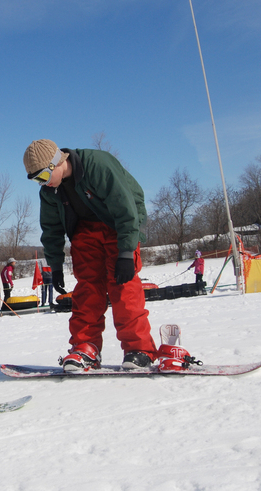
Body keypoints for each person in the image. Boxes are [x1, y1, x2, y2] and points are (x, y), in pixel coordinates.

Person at [23, 139, 157, 372]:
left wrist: (126, 253)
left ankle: (139, 349)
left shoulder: (98, 165)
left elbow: (126, 209)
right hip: (85, 231)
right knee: (87, 288)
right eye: (35, 180)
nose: (41, 184)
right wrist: (55, 266)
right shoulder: (49, 192)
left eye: (42, 177)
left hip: (120, 225)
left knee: (123, 287)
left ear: (56, 164)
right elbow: (51, 229)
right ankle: (86, 347)